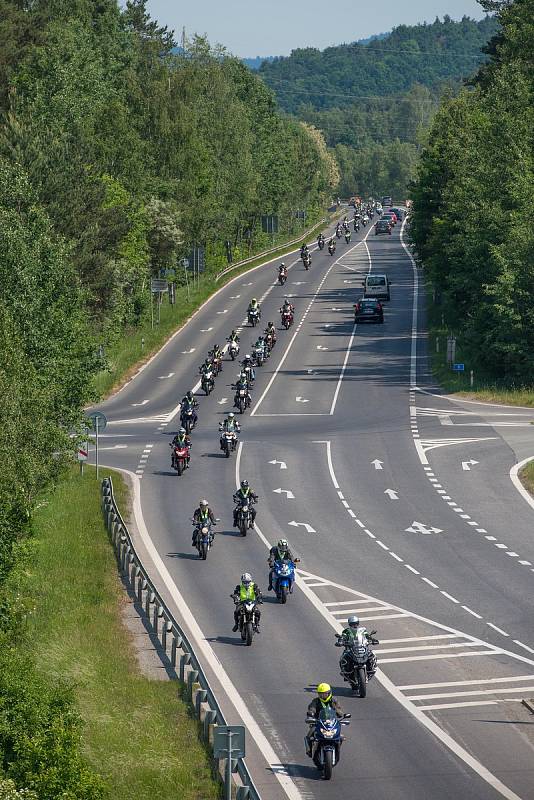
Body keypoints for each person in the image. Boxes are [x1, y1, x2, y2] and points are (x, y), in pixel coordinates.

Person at [305, 683, 344, 757]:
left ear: (329, 693)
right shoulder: (316, 701)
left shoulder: (334, 701)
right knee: (309, 735)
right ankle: (309, 750)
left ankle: (337, 748)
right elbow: (312, 708)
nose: (323, 696)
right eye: (321, 694)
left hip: (332, 723)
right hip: (318, 722)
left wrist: (336, 710)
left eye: (325, 694)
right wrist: (311, 714)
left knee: (340, 737)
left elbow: (340, 712)